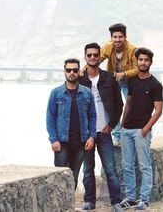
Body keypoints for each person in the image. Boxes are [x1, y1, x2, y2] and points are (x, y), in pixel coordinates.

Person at [78, 43, 123, 212]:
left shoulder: (109, 78)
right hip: (86, 134)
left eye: (95, 55)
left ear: (99, 57)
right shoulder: (80, 79)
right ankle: (89, 202)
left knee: (111, 169)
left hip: (104, 132)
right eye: (89, 55)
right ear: (85, 57)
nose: (92, 58)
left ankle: (116, 202)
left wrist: (111, 125)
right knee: (88, 170)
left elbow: (119, 104)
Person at [120, 48, 163, 210]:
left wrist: (145, 129)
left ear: (150, 62)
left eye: (146, 60)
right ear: (136, 61)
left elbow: (158, 110)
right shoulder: (133, 81)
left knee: (144, 166)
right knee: (127, 166)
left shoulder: (155, 85)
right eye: (140, 60)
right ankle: (130, 198)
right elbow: (128, 103)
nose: (143, 62)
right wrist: (122, 123)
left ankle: (144, 199)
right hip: (127, 130)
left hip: (141, 131)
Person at [46, 58, 96, 189]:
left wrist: (92, 136)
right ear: (64, 72)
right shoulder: (56, 93)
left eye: (75, 70)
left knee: (73, 178)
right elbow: (50, 117)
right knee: (59, 178)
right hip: (61, 143)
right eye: (69, 70)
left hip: (80, 143)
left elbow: (92, 115)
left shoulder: (87, 93)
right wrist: (53, 139)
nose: (72, 72)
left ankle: (70, 207)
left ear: (79, 72)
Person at [100, 23, 138, 145]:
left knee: (131, 108)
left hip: (129, 81)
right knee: (113, 108)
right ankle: (116, 136)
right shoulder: (107, 47)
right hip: (113, 81)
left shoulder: (132, 49)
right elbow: (95, 59)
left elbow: (137, 69)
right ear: (111, 38)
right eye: (115, 37)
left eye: (120, 37)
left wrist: (125, 74)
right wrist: (83, 70)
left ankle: (128, 133)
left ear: (125, 37)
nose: (117, 40)